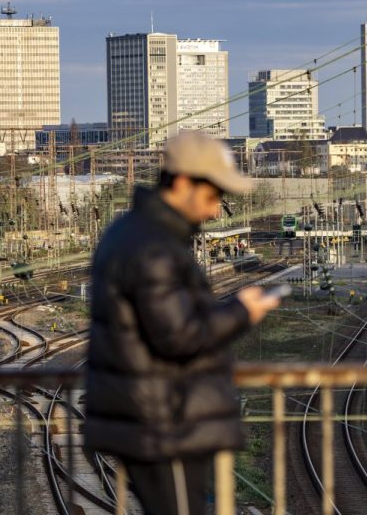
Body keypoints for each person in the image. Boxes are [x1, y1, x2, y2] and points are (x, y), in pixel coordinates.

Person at [84, 131, 279, 515]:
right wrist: (242, 312)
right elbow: (178, 336)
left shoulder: (135, 233)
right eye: (212, 196)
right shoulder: (153, 247)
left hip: (155, 418)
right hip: (163, 423)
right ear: (183, 183)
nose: (215, 211)